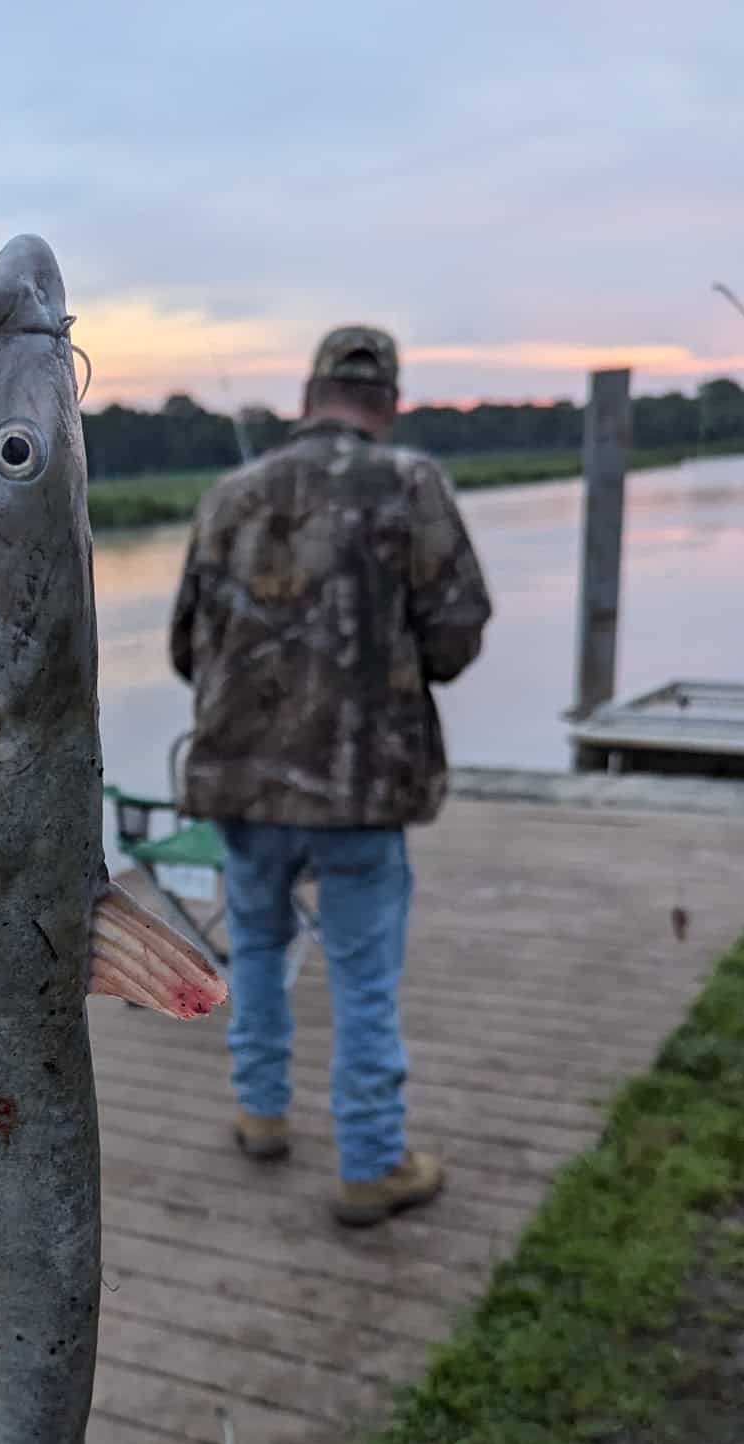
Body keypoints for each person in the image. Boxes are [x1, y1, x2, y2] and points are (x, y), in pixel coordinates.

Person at [168, 325, 492, 1227]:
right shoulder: (412, 483)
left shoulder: (230, 494)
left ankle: (260, 1115)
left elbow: (187, 646)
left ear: (309, 396)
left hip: (240, 781)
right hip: (359, 787)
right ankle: (370, 1162)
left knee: (259, 952)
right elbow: (458, 632)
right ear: (387, 401)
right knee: (360, 977)